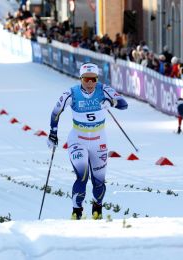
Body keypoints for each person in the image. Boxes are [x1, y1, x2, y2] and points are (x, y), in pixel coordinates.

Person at [47, 63, 128, 220]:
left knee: (99, 181)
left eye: (93, 79)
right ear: (80, 79)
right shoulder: (72, 93)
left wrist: (112, 103)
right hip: (78, 140)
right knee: (82, 176)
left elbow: (124, 104)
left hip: (99, 141)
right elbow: (56, 112)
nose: (90, 83)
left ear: (97, 79)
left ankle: (97, 209)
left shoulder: (104, 90)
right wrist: (53, 133)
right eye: (86, 79)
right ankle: (76, 211)